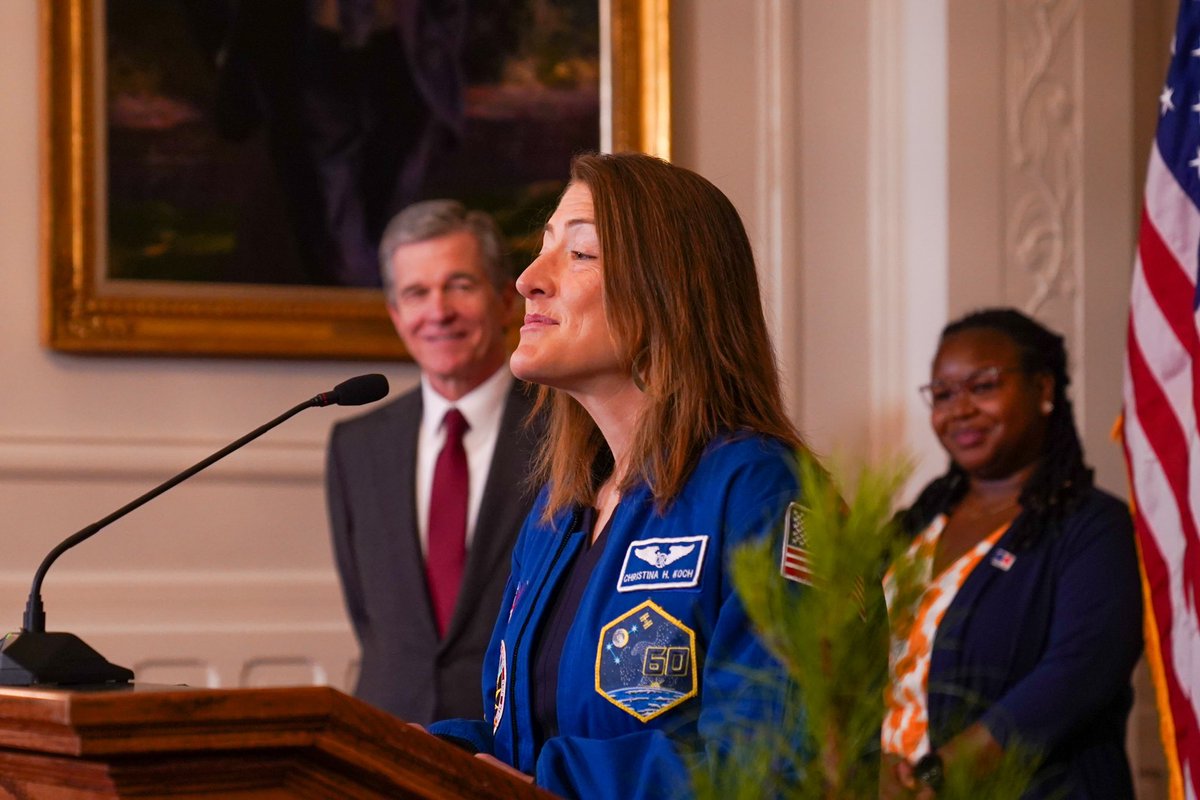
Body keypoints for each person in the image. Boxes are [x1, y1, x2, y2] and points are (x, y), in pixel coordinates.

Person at [428, 152, 807, 799]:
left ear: (670, 291)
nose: (526, 280)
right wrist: (419, 754)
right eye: (542, 247)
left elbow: (777, 768)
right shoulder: (558, 510)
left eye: (579, 254)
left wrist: (540, 785)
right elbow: (526, 736)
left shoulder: (758, 491)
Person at [880, 309, 1143, 799]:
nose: (959, 409)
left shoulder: (1093, 528)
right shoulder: (915, 525)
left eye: (983, 386)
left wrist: (936, 776)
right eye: (943, 394)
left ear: (1043, 390)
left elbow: (1075, 675)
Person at [326, 199, 543, 724]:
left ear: (502, 301)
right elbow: (368, 617)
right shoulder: (356, 444)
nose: (438, 312)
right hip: (386, 739)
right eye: (416, 293)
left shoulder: (565, 432)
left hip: (516, 748)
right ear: (396, 314)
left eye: (460, 286)